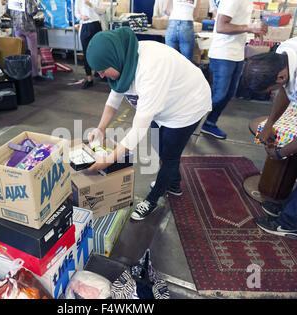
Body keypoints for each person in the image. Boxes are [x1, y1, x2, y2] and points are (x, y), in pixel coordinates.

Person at [85, 27, 212, 221]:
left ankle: (153, 199)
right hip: (163, 106)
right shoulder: (124, 59)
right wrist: (100, 128)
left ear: (113, 59)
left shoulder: (151, 68)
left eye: (103, 71)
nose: (101, 76)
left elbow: (139, 127)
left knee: (169, 155)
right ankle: (173, 182)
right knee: (158, 146)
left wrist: (109, 159)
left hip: (187, 106)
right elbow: (116, 95)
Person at [242, 33, 297, 239]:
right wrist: (270, 124)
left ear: (280, 76)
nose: (274, 90)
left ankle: (290, 224)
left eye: (269, 89)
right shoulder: (284, 53)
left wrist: (280, 153)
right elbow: (284, 89)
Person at [199, 0, 267, 140]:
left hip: (236, 54)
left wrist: (252, 29)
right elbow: (221, 26)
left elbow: (237, 23)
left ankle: (209, 123)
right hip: (223, 54)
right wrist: (250, 27)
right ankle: (185, 123)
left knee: (229, 94)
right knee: (218, 95)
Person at [7, 0, 41, 79]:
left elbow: (7, 11)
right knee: (33, 52)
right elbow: (32, 11)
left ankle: (22, 73)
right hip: (29, 27)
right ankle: (34, 74)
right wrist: (37, 4)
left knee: (20, 51)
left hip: (17, 27)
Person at [75, 0, 104, 89]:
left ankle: (101, 73)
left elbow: (102, 11)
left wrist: (91, 5)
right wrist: (81, 16)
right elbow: (76, 13)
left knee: (99, 52)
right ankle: (89, 79)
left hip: (96, 25)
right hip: (85, 26)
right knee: (86, 53)